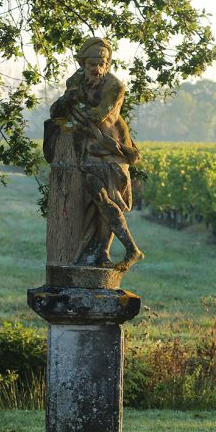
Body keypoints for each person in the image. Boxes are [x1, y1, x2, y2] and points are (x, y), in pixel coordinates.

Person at [47, 37, 144, 271]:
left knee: (103, 199)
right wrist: (66, 99)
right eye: (92, 64)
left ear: (108, 64)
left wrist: (74, 102)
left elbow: (97, 116)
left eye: (102, 63)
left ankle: (128, 249)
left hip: (110, 151)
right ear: (83, 64)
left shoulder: (114, 87)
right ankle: (101, 253)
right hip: (88, 152)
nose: (97, 69)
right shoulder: (76, 81)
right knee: (99, 203)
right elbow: (55, 112)